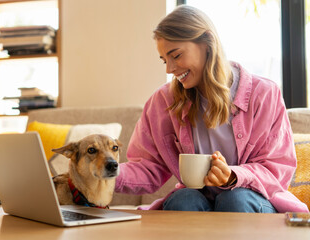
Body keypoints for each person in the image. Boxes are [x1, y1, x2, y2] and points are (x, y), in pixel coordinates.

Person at [114, 5, 309, 213]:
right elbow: (147, 167)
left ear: (207, 43)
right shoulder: (163, 102)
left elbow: (278, 169)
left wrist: (234, 176)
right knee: (184, 199)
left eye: (176, 55)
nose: (169, 69)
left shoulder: (265, 95)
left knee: (235, 199)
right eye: (164, 60)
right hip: (198, 201)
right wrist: (103, 173)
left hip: (252, 201)